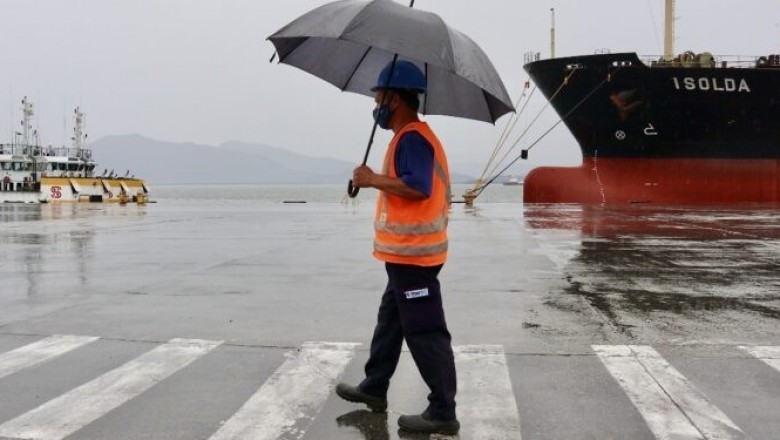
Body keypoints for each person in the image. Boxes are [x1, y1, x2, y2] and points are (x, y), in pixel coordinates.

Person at [336, 60, 459, 436]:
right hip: (404, 255)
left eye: (379, 97)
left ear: (396, 99)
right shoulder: (405, 137)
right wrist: (372, 179)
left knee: (425, 329)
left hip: (415, 255)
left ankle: (442, 410)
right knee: (390, 320)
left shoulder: (413, 138)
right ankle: (375, 388)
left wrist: (374, 179)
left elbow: (418, 186)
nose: (375, 105)